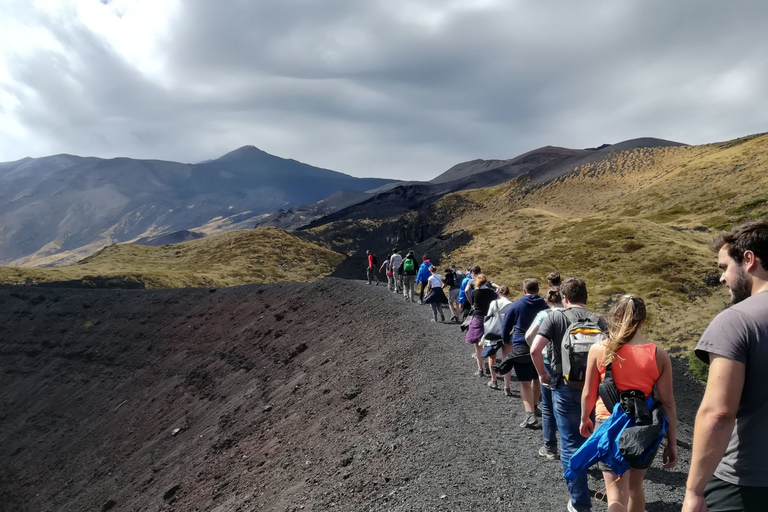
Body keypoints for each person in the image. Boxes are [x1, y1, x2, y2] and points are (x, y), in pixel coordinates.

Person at [683, 219, 768, 512]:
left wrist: (694, 491)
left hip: (745, 485)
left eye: (723, 268)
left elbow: (718, 413)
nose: (722, 279)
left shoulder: (737, 321)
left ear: (748, 260)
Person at [580, 294, 678, 512]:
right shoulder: (658, 355)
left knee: (615, 493)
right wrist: (671, 443)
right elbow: (668, 403)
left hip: (608, 424)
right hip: (644, 428)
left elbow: (589, 392)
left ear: (615, 316)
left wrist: (585, 418)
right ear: (644, 320)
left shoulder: (599, 350)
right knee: (635, 489)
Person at [530, 278, 606, 512]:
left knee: (570, 442)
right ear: (586, 296)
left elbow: (535, 348)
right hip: (595, 389)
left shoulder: (555, 316)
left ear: (564, 298)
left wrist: (543, 374)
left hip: (564, 387)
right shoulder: (600, 320)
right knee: (591, 435)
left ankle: (580, 503)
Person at [502, 278, 549, 428]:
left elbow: (506, 325)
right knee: (537, 377)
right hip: (541, 345)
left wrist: (505, 339)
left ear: (524, 290)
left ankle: (529, 415)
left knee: (524, 381)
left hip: (521, 345)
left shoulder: (516, 305)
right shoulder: (545, 304)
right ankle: (535, 407)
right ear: (538, 289)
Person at [525, 287, 564, 459]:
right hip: (572, 364)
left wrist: (539, 351)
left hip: (549, 362)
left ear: (547, 300)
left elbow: (528, 336)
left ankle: (550, 447)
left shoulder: (544, 314)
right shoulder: (572, 314)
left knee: (548, 406)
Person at [464, 273, 497, 377]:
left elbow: (473, 303)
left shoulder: (474, 292)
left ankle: (480, 369)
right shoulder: (491, 293)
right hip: (489, 318)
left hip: (478, 317)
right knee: (488, 343)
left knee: (478, 345)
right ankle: (488, 364)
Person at [483, 285, 512, 390]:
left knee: (492, 356)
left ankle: (494, 380)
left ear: (498, 293)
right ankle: (507, 386)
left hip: (494, 332)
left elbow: (489, 316)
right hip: (507, 333)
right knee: (506, 359)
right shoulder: (511, 304)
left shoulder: (493, 303)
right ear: (508, 293)